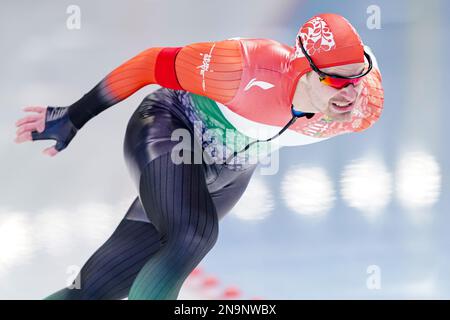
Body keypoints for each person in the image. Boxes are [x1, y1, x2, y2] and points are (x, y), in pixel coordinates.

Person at [14, 13, 384, 300]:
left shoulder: (362, 106)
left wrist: (353, 79)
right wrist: (73, 117)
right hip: (171, 128)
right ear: (304, 69)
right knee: (193, 234)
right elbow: (149, 63)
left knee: (93, 290)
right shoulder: (244, 67)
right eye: (336, 80)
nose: (349, 93)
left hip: (230, 173)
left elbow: (359, 87)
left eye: (356, 78)